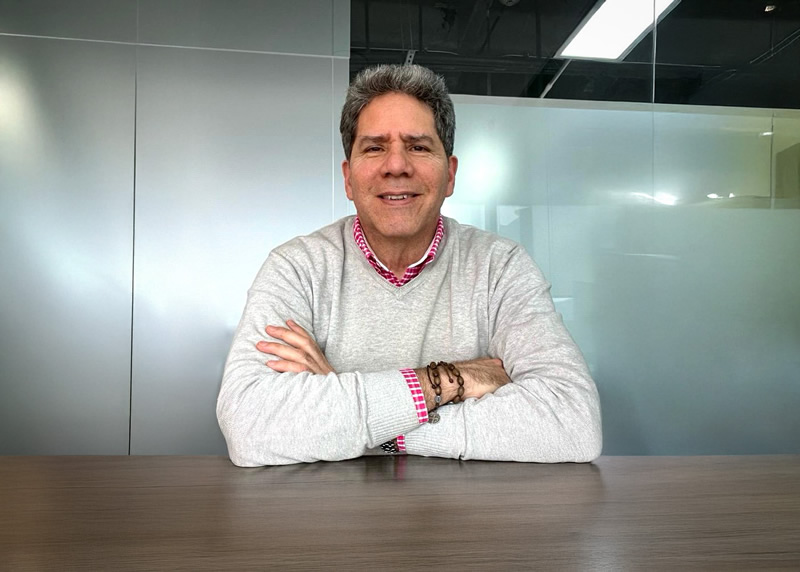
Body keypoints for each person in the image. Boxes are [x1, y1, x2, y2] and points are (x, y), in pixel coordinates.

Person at [217, 64, 602, 466]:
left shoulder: (500, 268)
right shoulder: (296, 268)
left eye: (418, 146)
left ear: (449, 175)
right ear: (348, 179)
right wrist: (448, 380)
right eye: (374, 148)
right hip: (332, 506)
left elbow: (573, 422)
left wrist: (346, 419)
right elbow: (249, 426)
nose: (396, 165)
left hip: (466, 506)